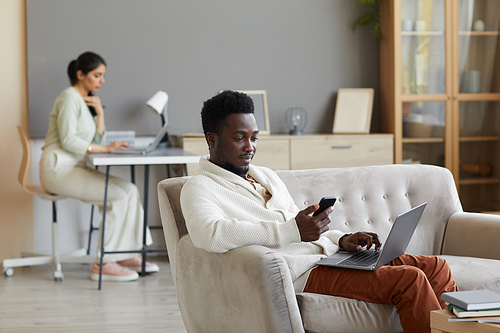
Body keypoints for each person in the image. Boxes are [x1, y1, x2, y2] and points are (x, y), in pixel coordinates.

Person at [180, 90, 458, 333]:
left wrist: (340, 239)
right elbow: (210, 235)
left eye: (254, 138)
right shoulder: (200, 187)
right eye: (240, 138)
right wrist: (292, 231)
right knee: (410, 280)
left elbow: (298, 225)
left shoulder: (264, 175)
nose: (250, 147)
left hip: (328, 256)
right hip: (303, 271)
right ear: (211, 138)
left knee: (436, 267)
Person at [40, 51, 159, 282]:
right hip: (58, 169)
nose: (102, 81)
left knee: (130, 191)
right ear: (80, 74)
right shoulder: (68, 98)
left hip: (75, 166)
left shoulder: (86, 102)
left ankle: (124, 254)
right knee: (115, 195)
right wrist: (106, 148)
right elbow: (68, 141)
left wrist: (100, 113)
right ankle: (104, 263)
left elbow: (95, 142)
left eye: (103, 75)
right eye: (97, 75)